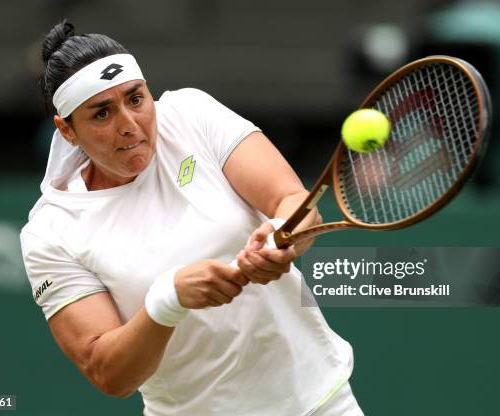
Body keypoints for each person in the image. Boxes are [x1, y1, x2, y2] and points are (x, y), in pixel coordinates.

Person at [20, 20, 364, 416]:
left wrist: (279, 240)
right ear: (67, 130)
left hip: (318, 401)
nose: (130, 125)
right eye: (102, 114)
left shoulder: (190, 114)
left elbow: (292, 200)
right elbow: (108, 373)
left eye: (136, 99)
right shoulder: (50, 231)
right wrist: (168, 301)